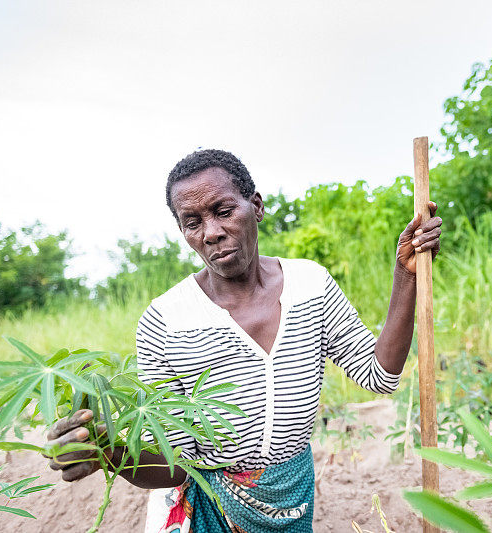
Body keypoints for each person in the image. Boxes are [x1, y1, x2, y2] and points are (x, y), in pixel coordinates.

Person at [45, 149, 442, 532]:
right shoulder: (166, 321)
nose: (212, 233)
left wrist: (405, 275)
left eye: (223, 211)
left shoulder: (311, 286)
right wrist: (108, 452)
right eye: (192, 222)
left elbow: (381, 376)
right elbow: (175, 465)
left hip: (293, 498)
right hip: (206, 508)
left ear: (256, 206)